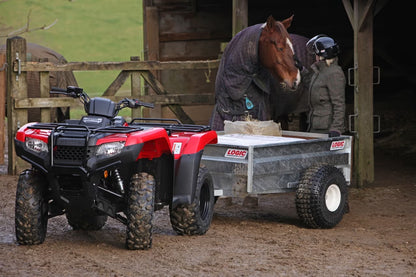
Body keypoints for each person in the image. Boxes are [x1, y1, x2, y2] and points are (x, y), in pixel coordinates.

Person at [303, 35, 346, 137]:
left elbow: (339, 103)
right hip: (316, 125)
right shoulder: (321, 71)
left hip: (326, 129)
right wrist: (302, 70)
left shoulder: (334, 73)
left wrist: (336, 128)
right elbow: (312, 85)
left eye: (316, 54)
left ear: (321, 55)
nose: (315, 56)